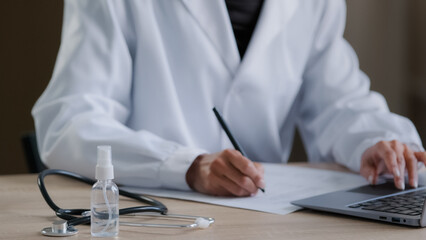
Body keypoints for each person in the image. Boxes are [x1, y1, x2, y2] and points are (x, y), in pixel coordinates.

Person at [33, 0, 426, 197]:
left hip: (265, 219)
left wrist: (376, 141)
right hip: (153, 216)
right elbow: (68, 122)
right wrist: (185, 166)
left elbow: (340, 101)